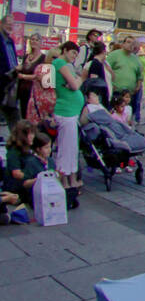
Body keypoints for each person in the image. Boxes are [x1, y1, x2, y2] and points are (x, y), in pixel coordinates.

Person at [51, 41, 85, 193]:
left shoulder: (65, 66)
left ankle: (71, 178)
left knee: (71, 148)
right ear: (65, 50)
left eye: (76, 55)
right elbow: (75, 85)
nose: (74, 57)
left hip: (71, 111)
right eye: (73, 53)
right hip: (66, 112)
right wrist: (82, 78)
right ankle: (65, 179)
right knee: (66, 148)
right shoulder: (59, 63)